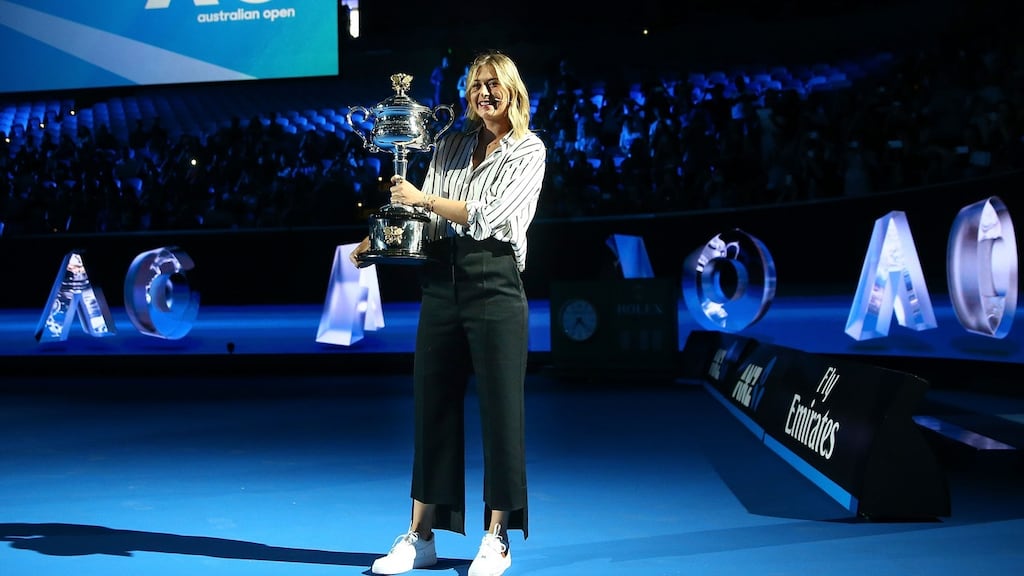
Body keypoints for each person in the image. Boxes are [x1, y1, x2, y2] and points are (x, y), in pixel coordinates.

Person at [350, 50, 546, 576]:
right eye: (477, 84)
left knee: (503, 414)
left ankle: (497, 537)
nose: (485, 92)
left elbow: (488, 216)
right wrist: (377, 240)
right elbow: (420, 213)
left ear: (513, 90)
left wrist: (426, 200)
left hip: (496, 283)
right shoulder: (451, 141)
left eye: (494, 84)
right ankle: (420, 536)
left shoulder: (529, 150)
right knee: (431, 409)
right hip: (440, 280)